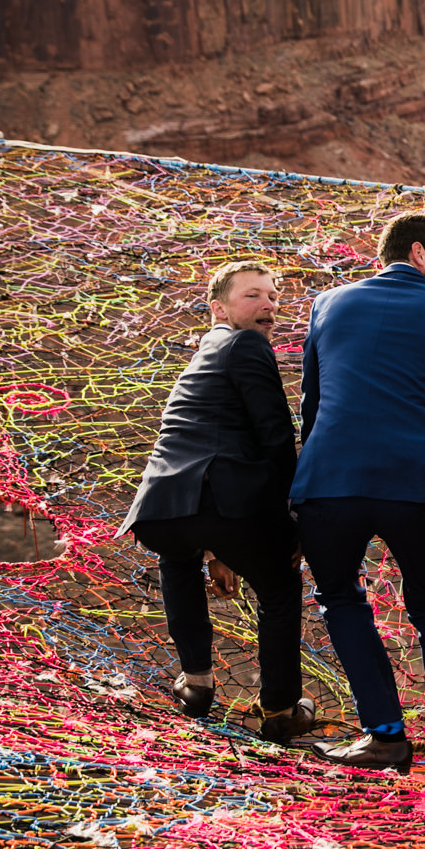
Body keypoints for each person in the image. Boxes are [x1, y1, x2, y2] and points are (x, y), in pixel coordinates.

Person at [291, 213, 425, 771]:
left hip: (330, 482)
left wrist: (313, 474)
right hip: (416, 480)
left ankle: (385, 734)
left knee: (342, 601)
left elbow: (313, 403)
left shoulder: (328, 303)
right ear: (419, 253)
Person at [124, 260, 315, 744]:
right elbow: (274, 437)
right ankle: (279, 709)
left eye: (272, 295)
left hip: (165, 506)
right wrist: (292, 520)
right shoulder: (246, 343)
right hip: (226, 504)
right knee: (277, 588)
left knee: (178, 561)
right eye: (253, 295)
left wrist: (217, 548)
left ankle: (196, 683)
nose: (269, 305)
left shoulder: (205, 351)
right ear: (219, 308)